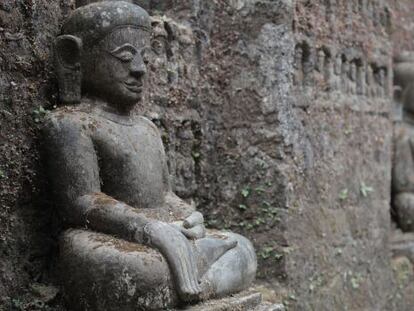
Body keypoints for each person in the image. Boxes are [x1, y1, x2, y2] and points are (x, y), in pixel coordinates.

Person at [44, 2, 256, 309]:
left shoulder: (147, 129)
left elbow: (165, 194)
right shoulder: (70, 122)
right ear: (75, 56)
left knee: (243, 248)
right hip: (112, 236)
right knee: (141, 273)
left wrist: (188, 216)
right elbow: (82, 201)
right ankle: (190, 272)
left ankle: (202, 286)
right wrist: (149, 229)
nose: (139, 68)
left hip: (166, 232)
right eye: (126, 57)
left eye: (145, 56)